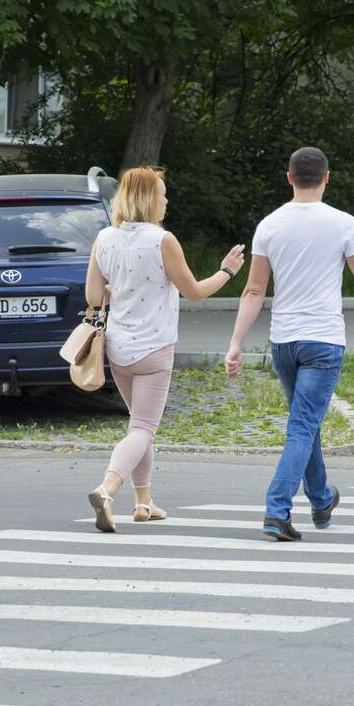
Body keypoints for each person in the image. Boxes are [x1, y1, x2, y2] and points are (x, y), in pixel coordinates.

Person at [225, 146, 354, 542]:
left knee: (306, 423)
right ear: (327, 178)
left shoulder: (269, 224)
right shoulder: (343, 223)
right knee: (302, 426)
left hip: (284, 342)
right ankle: (276, 510)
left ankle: (320, 499)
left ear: (289, 178)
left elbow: (253, 290)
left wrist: (236, 342)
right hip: (323, 341)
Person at [83, 167, 246, 534]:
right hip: (154, 347)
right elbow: (194, 292)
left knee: (139, 426)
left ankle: (144, 503)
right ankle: (107, 489)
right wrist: (227, 271)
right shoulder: (162, 240)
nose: (166, 199)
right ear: (147, 198)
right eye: (162, 192)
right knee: (143, 426)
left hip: (117, 348)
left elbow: (94, 296)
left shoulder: (104, 239)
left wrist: (122, 289)